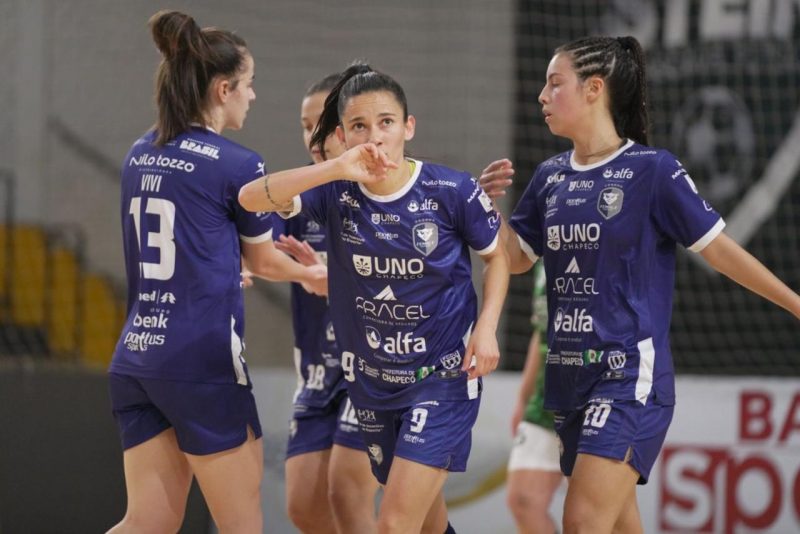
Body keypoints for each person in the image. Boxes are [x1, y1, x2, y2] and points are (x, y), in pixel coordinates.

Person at [483, 35, 800, 533]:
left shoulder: (652, 170)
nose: (542, 97)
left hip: (629, 377)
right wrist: (480, 213)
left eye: (554, 83)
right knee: (617, 525)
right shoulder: (549, 178)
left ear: (594, 89)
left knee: (583, 522)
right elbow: (515, 259)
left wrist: (797, 304)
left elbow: (720, 250)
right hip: (567, 379)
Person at [107, 12, 392, 533]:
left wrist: (223, 267)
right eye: (249, 83)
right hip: (202, 360)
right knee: (242, 527)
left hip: (136, 357)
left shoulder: (139, 152)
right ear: (222, 89)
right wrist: (317, 277)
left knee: (146, 522)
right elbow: (261, 260)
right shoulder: (236, 163)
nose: (253, 96)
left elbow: (187, 242)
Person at [239, 62, 510, 534]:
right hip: (373, 385)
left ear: (408, 126)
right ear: (343, 134)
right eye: (359, 126)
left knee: (392, 523)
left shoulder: (449, 189)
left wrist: (486, 328)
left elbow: (499, 258)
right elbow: (248, 199)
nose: (375, 135)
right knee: (427, 523)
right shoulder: (336, 192)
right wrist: (334, 167)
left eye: (386, 122)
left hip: (441, 380)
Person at [272, 74, 379, 534]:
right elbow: (263, 252)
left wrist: (333, 280)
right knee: (304, 506)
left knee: (348, 495)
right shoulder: (302, 197)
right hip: (318, 369)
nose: (312, 136)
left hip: (374, 367)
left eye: (322, 122)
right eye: (303, 124)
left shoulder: (382, 189)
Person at [505, 262, 563, 534]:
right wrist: (522, 398)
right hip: (543, 399)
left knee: (597, 518)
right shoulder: (542, 261)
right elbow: (540, 333)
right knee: (522, 500)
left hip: (591, 398)